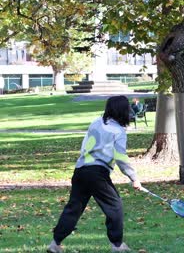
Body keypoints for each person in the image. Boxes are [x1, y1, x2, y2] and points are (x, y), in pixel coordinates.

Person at [47, 95, 142, 253]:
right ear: (122, 111)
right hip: (97, 173)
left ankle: (55, 244)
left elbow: (85, 145)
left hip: (80, 170)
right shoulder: (119, 131)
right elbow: (121, 158)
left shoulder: (96, 122)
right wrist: (134, 178)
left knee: (74, 208)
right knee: (115, 207)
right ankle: (117, 246)